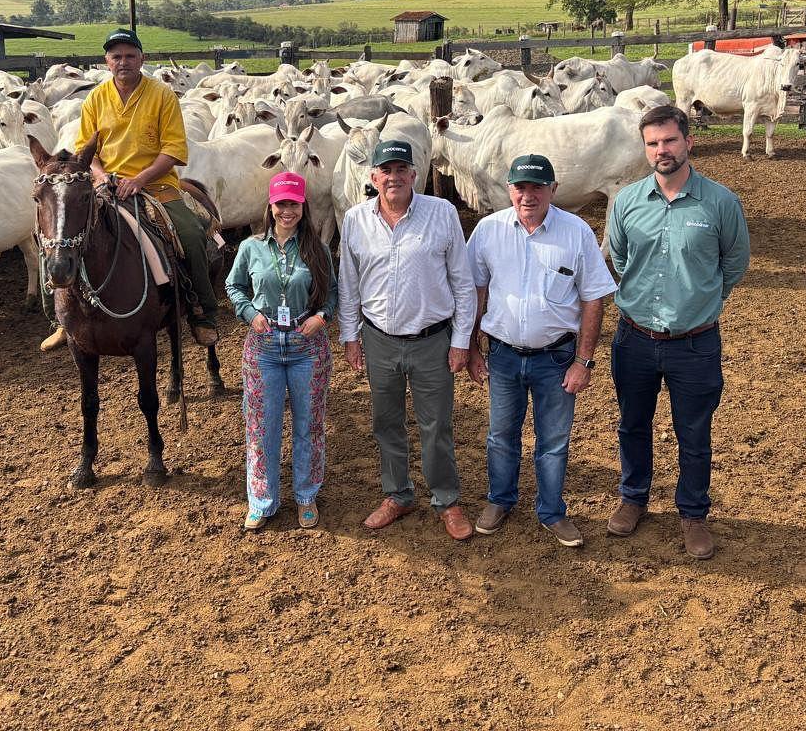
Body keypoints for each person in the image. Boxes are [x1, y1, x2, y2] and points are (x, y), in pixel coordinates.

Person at [606, 104, 750, 559]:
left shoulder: (720, 202)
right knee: (632, 423)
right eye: (652, 143)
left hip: (695, 341)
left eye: (669, 140)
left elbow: (734, 263)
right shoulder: (627, 202)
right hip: (635, 337)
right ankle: (634, 498)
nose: (661, 151)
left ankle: (692, 513)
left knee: (693, 430)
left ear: (688, 141)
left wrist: (703, 301)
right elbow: (622, 260)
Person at [466, 154, 617, 545]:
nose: (527, 196)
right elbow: (476, 291)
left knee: (553, 441)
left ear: (553, 190)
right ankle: (501, 500)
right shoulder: (488, 230)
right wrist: (471, 348)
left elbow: (594, 298)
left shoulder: (576, 231)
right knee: (501, 434)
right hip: (502, 354)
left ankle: (551, 510)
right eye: (520, 187)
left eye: (537, 187)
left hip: (556, 357)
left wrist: (583, 360)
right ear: (509, 190)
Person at [39, 28, 220, 351]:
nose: (123, 62)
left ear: (142, 59)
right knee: (58, 232)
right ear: (107, 62)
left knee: (191, 234)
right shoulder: (96, 98)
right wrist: (101, 175)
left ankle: (201, 312)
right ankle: (61, 319)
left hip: (156, 186)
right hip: (107, 186)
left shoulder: (162, 95)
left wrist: (140, 179)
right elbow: (85, 152)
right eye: (116, 56)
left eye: (130, 55)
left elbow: (174, 149)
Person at [338, 139, 478, 541]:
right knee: (386, 421)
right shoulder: (355, 220)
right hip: (379, 337)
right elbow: (349, 284)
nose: (394, 177)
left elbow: (462, 283)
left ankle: (447, 499)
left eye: (402, 170)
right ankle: (397, 493)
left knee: (436, 424)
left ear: (414, 175)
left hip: (433, 338)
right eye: (386, 171)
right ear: (373, 177)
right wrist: (350, 335)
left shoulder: (442, 213)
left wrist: (461, 340)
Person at [225, 172, 336, 531]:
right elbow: (234, 285)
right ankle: (262, 498)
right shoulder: (250, 247)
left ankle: (306, 495)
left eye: (294, 203)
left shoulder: (316, 248)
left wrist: (322, 316)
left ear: (303, 206)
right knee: (261, 425)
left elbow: (333, 291)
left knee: (310, 424)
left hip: (307, 344)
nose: (287, 211)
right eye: (281, 204)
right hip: (264, 346)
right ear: (270, 206)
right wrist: (249, 313)